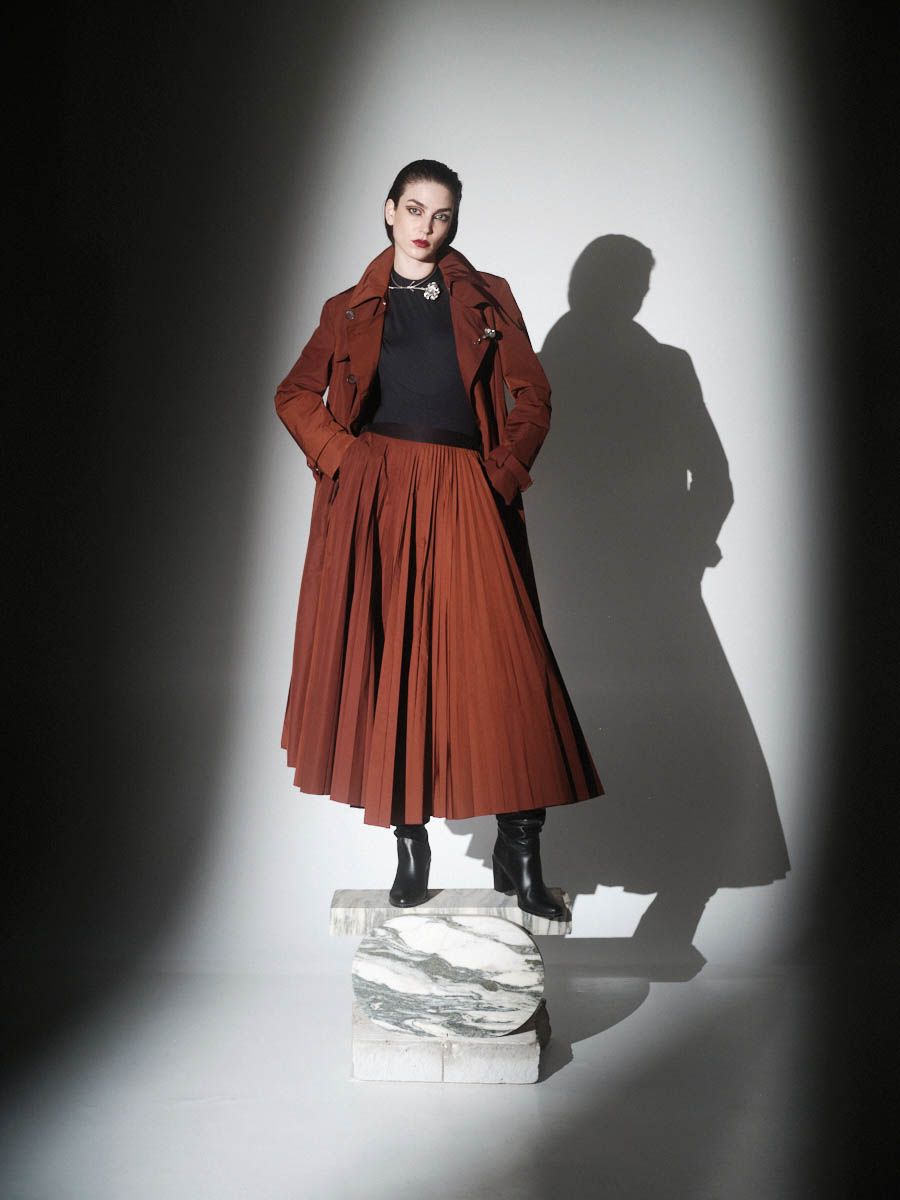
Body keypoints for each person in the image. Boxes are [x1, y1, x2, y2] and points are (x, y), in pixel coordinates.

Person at [274, 159, 604, 920]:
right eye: (416, 209)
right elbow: (294, 394)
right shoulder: (346, 309)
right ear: (390, 211)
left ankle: (521, 846)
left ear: (455, 222)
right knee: (398, 662)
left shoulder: (487, 298)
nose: (428, 225)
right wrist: (346, 457)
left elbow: (533, 393)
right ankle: (410, 845)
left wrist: (502, 473)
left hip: (465, 485)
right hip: (382, 492)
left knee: (507, 663)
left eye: (443, 214)